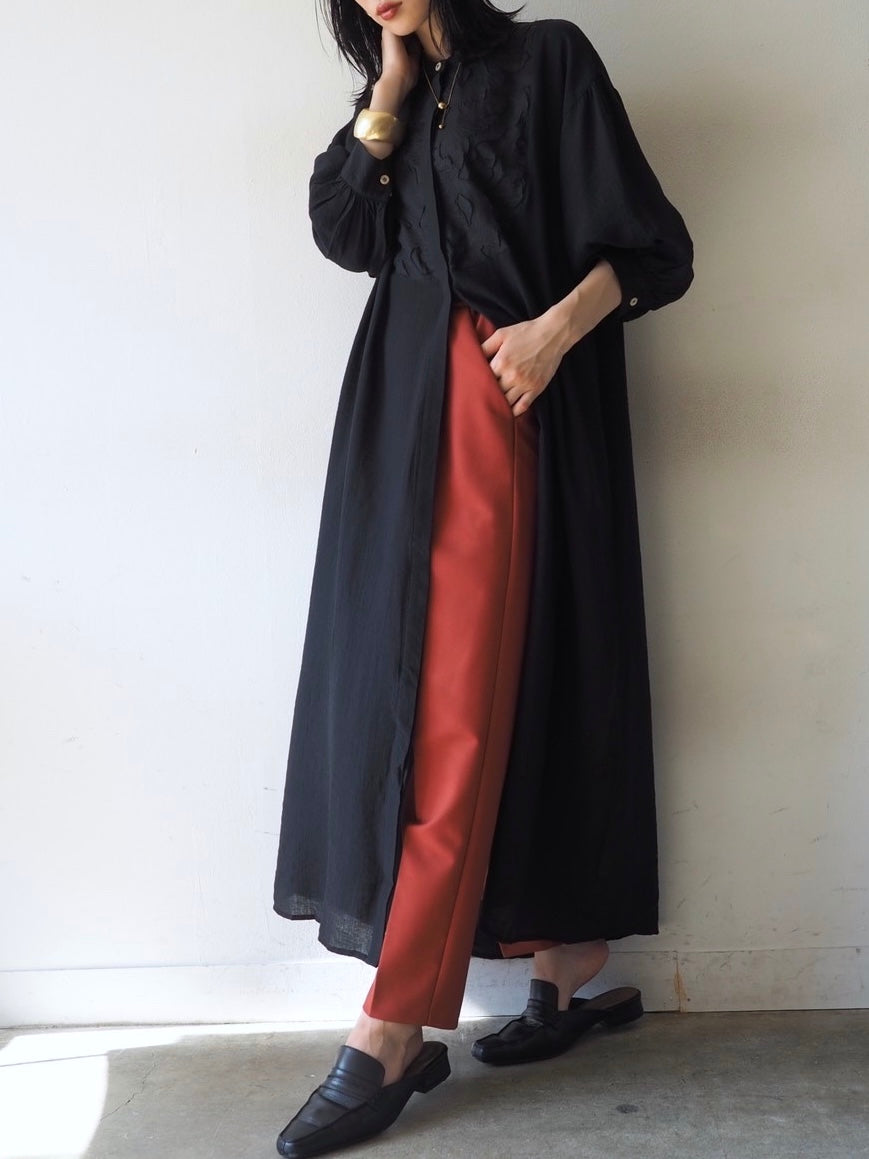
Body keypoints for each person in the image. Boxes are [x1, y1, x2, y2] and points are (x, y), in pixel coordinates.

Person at [273, 1, 694, 1154]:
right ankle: (563, 960)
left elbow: (653, 247)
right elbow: (342, 233)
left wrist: (552, 331)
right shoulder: (396, 103)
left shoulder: (548, 58)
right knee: (417, 697)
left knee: (450, 707)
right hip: (395, 419)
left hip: (501, 402)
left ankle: (391, 1025)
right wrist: (387, 94)